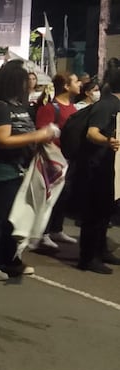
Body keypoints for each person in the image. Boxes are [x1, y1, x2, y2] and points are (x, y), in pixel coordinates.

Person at [0, 61, 57, 281]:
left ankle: (10, 259)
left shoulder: (18, 106)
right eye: (25, 81)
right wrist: (38, 136)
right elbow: (2, 140)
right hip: (2, 170)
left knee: (15, 219)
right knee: (1, 218)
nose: (29, 85)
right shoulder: (0, 107)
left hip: (20, 169)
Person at [76, 67, 120, 274]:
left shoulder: (115, 104)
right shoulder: (106, 105)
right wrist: (108, 141)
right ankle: (87, 257)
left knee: (104, 211)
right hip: (95, 167)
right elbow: (92, 133)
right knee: (93, 213)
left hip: (108, 167)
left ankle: (101, 250)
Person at [31, 73, 81, 249]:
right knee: (49, 197)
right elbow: (41, 132)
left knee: (63, 196)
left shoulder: (73, 108)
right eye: (76, 81)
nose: (80, 84)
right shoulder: (51, 108)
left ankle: (56, 229)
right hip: (53, 159)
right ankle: (42, 232)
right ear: (66, 86)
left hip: (68, 158)